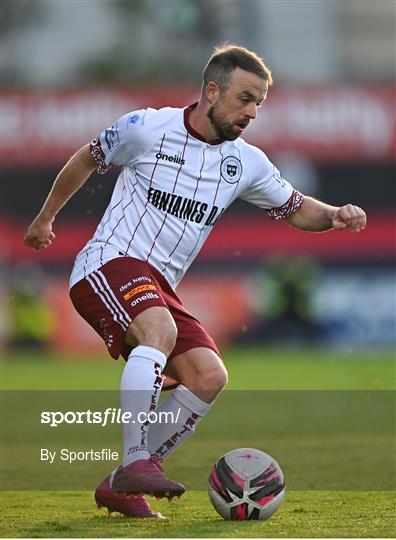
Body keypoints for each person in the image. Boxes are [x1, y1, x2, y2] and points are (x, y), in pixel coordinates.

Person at [24, 44, 366, 519]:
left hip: (159, 286)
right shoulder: (147, 128)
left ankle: (123, 484)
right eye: (245, 98)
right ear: (212, 90)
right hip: (108, 263)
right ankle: (136, 461)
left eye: (259, 104)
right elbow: (87, 157)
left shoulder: (246, 162)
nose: (252, 112)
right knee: (160, 333)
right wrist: (45, 220)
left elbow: (297, 209)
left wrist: (334, 215)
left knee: (209, 376)